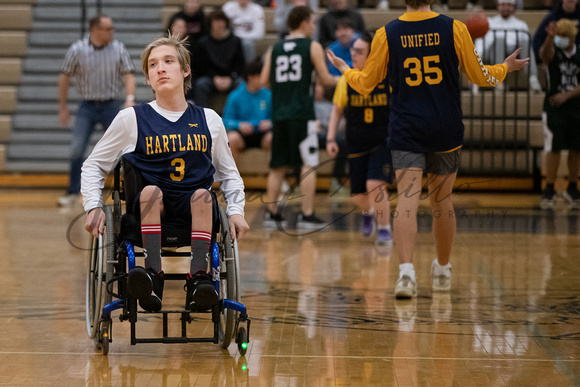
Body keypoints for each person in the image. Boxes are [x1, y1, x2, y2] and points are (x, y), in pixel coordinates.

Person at [328, 0, 528, 298]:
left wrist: (346, 70)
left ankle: (406, 274)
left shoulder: (386, 33)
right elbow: (478, 76)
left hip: (407, 128)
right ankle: (443, 270)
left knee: (406, 203)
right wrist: (505, 68)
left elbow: (368, 83)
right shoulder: (454, 28)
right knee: (442, 202)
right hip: (445, 127)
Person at [81, 34, 249, 313]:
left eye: (168, 61)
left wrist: (236, 210)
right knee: (150, 192)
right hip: (150, 207)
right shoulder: (131, 119)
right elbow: (93, 165)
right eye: (153, 65)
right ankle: (151, 276)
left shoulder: (209, 120)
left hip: (195, 209)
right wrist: (93, 206)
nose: (160, 68)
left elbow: (229, 174)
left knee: (203, 196)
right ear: (147, 78)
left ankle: (199, 277)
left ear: (185, 70)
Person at [260, 6, 339, 228]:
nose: (314, 28)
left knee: (277, 165)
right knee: (308, 163)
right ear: (304, 23)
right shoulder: (312, 46)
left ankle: (271, 214)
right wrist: (347, 78)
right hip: (303, 114)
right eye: (313, 23)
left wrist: (284, 91)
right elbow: (325, 79)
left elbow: (265, 81)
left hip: (280, 113)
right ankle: (306, 214)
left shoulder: (274, 48)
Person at [57, 16, 135, 207]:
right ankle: (73, 192)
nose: (112, 32)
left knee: (125, 149)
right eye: (108, 29)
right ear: (95, 30)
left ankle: (130, 191)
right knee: (77, 149)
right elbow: (64, 76)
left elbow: (129, 74)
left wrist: (130, 98)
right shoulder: (77, 50)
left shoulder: (118, 48)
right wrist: (63, 105)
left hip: (111, 105)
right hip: (87, 106)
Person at [327, 32, 393, 246]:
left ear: (372, 55)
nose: (353, 54)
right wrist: (330, 138)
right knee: (357, 195)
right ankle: (368, 211)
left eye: (359, 51)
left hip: (382, 141)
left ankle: (384, 229)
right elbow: (337, 111)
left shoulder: (387, 78)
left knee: (375, 184)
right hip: (355, 142)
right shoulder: (347, 80)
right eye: (353, 50)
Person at [539, 18, 580, 208]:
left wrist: (568, 95)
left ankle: (572, 187)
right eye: (559, 36)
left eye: (564, 36)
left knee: (576, 148)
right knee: (553, 148)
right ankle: (549, 188)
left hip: (575, 106)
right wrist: (549, 37)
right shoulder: (554, 49)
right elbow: (544, 57)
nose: (561, 39)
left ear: (572, 37)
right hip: (554, 107)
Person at [473, 0, 542, 93]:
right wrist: (478, 57)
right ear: (498, 6)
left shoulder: (521, 24)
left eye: (509, 5)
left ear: (514, 7)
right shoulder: (489, 22)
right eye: (503, 5)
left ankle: (533, 79)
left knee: (526, 40)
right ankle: (498, 82)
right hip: (492, 52)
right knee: (499, 39)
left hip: (513, 53)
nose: (506, 8)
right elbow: (483, 43)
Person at [191, 10, 245, 111]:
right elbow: (199, 67)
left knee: (241, 84)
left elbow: (240, 65)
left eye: (222, 21)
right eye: (216, 21)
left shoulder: (236, 41)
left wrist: (231, 77)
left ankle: (240, 118)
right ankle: (203, 117)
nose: (219, 24)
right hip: (210, 78)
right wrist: (214, 77)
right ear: (210, 23)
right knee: (200, 84)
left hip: (231, 78)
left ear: (226, 23)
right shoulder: (202, 43)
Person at [223, 60, 273, 162]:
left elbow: (278, 117)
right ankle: (230, 176)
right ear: (251, 77)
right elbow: (225, 120)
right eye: (261, 76)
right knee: (231, 138)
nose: (265, 79)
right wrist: (239, 125)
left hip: (263, 134)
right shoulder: (235, 96)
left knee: (273, 137)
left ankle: (274, 174)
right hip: (242, 135)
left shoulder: (269, 95)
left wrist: (270, 123)